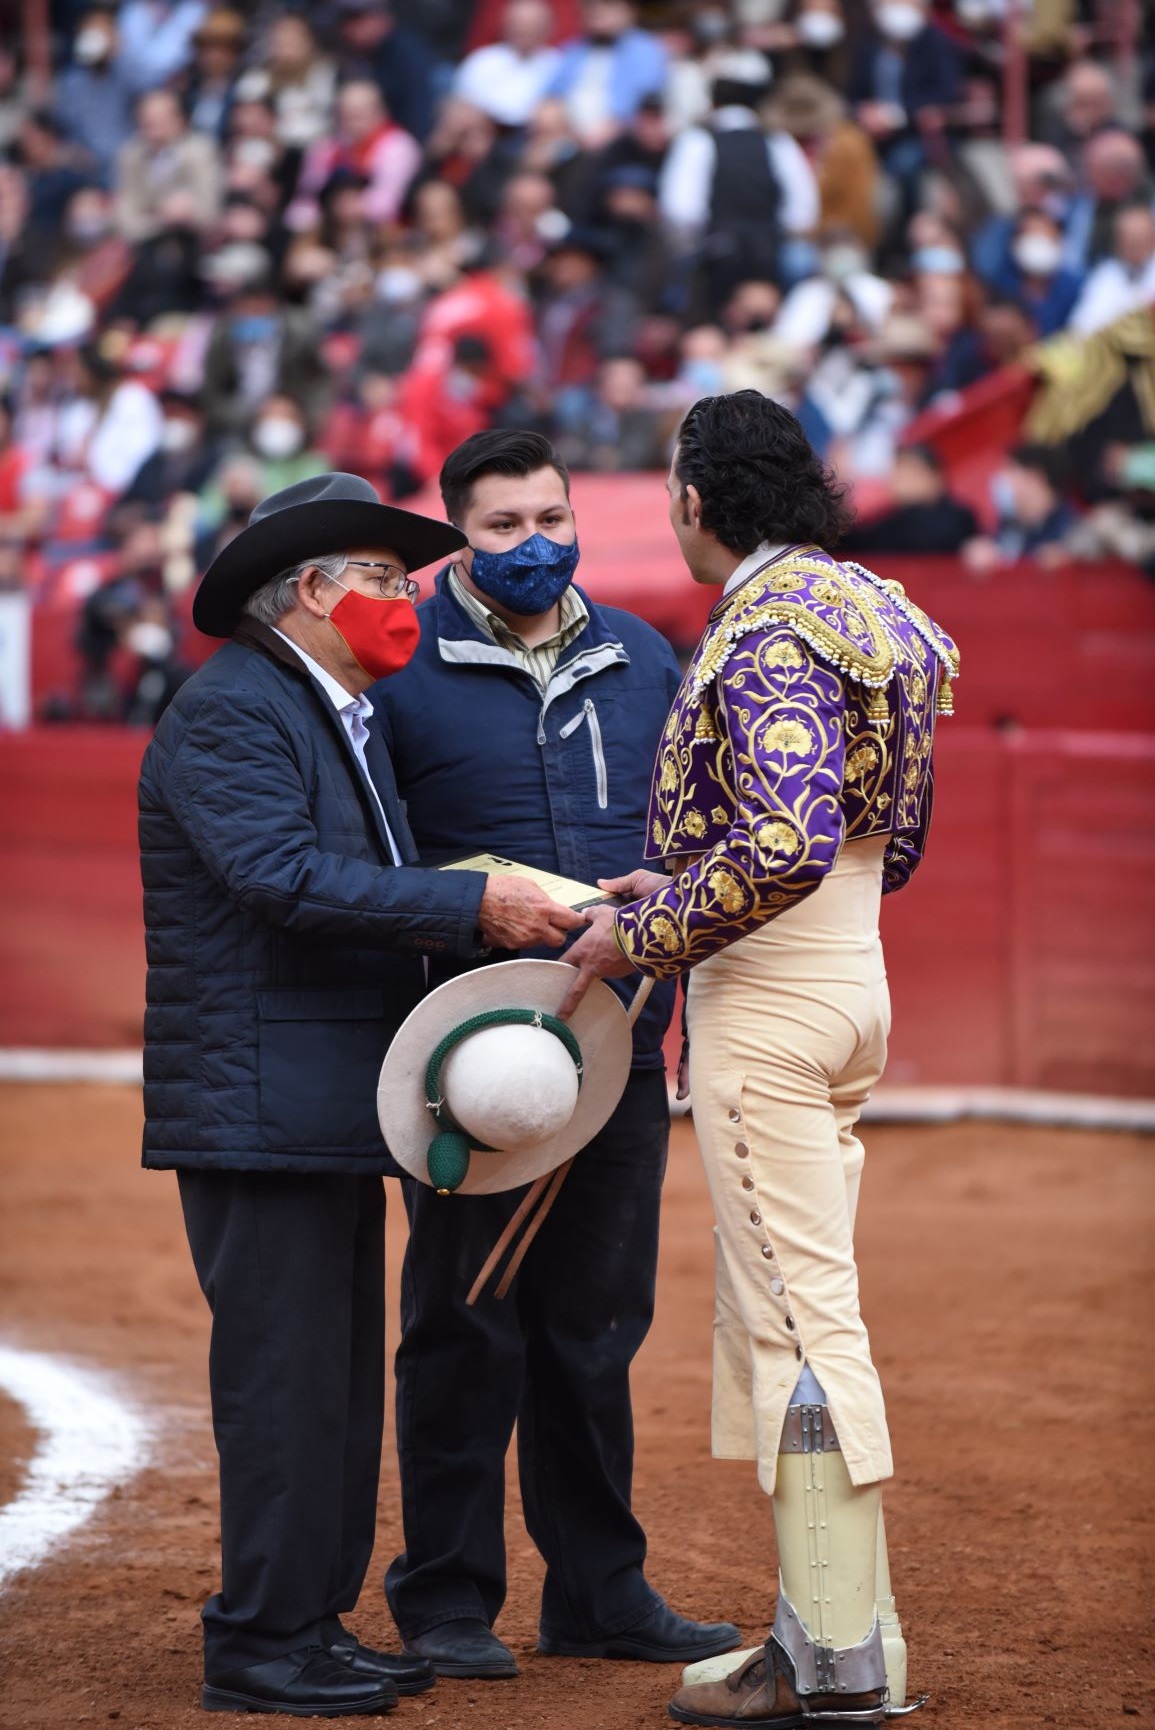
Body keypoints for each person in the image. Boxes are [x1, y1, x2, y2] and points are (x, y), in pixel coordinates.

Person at [138, 471, 585, 1716]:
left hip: (316, 1095)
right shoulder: (236, 706)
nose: (408, 597)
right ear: (312, 590)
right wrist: (473, 903)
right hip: (260, 1098)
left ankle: (310, 1621)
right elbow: (280, 875)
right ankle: (260, 1636)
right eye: (386, 577)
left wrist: (524, 902)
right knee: (286, 1380)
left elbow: (349, 875)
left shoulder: (328, 708)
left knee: (331, 1381)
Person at [560, 391, 958, 1727]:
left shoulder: (762, 625)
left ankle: (832, 1655)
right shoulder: (878, 609)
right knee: (806, 1298)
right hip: (850, 977)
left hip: (769, 1001)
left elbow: (784, 837)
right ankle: (852, 1629)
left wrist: (647, 930)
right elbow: (880, 838)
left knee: (795, 1314)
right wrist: (680, 880)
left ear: (693, 501)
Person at [370, 429, 742, 1680]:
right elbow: (373, 856)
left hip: (617, 1036)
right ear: (456, 537)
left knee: (596, 1322)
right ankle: (445, 1596)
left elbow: (687, 833)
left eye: (550, 518)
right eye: (502, 526)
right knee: (464, 1317)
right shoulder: (402, 663)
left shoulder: (642, 654)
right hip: (467, 1044)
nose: (534, 543)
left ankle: (598, 1591)